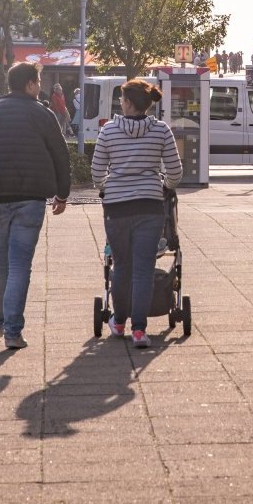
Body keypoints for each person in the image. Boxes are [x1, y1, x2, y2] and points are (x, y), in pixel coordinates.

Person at [0, 62, 71, 350]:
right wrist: (62, 194)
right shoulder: (43, 114)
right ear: (31, 84)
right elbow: (61, 155)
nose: (41, 87)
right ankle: (12, 332)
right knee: (20, 264)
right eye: (39, 81)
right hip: (31, 199)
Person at [90, 79, 183, 348]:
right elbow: (175, 172)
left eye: (122, 99)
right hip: (149, 207)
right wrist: (162, 185)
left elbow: (97, 174)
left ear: (129, 103)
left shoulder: (108, 131)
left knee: (121, 267)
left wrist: (110, 186)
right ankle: (140, 331)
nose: (120, 102)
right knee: (143, 269)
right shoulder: (161, 130)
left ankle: (119, 323)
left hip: (117, 208)